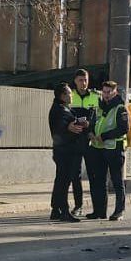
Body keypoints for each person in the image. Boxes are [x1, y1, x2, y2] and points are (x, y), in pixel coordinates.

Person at [88, 80, 129, 221]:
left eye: (109, 92)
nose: (106, 95)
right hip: (99, 148)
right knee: (100, 181)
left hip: (114, 149)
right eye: (104, 92)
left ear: (115, 92)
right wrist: (91, 132)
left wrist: (104, 136)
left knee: (117, 181)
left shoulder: (120, 108)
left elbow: (123, 129)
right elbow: (94, 122)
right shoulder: (100, 106)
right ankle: (99, 211)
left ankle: (119, 211)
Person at [48, 82, 85, 222]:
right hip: (66, 152)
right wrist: (72, 127)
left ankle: (56, 209)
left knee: (60, 180)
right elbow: (61, 131)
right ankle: (64, 210)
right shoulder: (60, 110)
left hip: (63, 151)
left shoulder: (62, 108)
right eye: (69, 93)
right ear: (63, 95)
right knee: (64, 182)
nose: (71, 95)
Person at [68, 69, 101, 218]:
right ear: (75, 81)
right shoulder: (70, 95)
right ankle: (78, 205)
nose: (84, 83)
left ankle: (97, 208)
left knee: (93, 175)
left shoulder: (95, 96)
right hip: (74, 140)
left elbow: (100, 117)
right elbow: (64, 116)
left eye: (86, 80)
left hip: (90, 140)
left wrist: (91, 124)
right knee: (75, 175)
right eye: (81, 80)